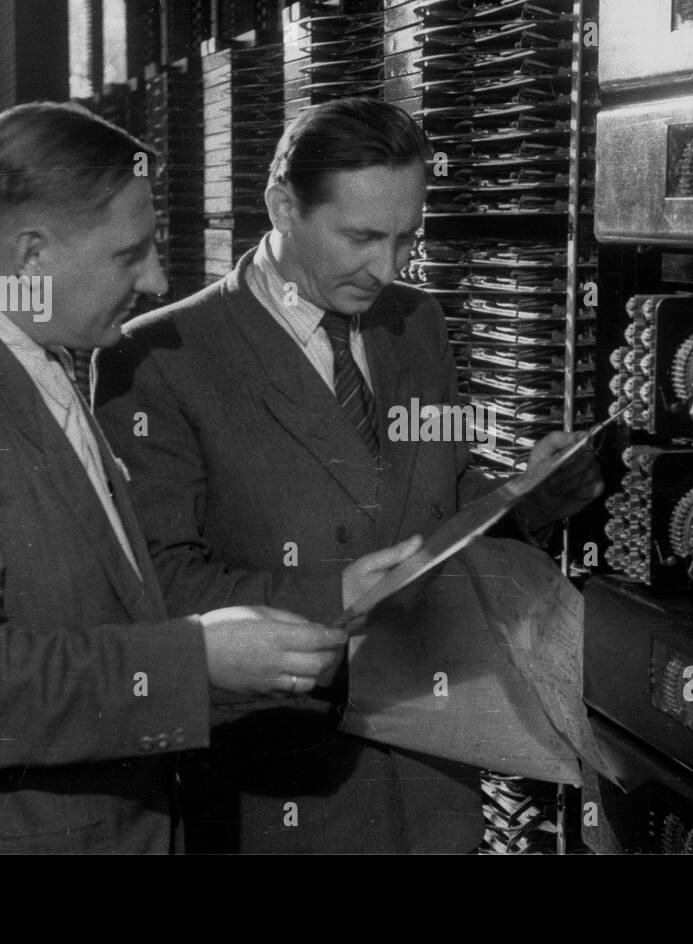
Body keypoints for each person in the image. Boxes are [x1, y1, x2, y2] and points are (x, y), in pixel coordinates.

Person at [0, 102, 347, 853]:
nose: (155, 279)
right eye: (131, 254)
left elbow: (98, 593)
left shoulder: (31, 347)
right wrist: (194, 662)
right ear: (31, 256)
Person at [95, 97, 603, 853]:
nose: (387, 267)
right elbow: (156, 587)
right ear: (282, 206)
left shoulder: (417, 322)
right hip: (283, 796)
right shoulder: (159, 357)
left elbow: (441, 498)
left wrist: (525, 495)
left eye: (406, 238)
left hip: (439, 782)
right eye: (361, 236)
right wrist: (336, 595)